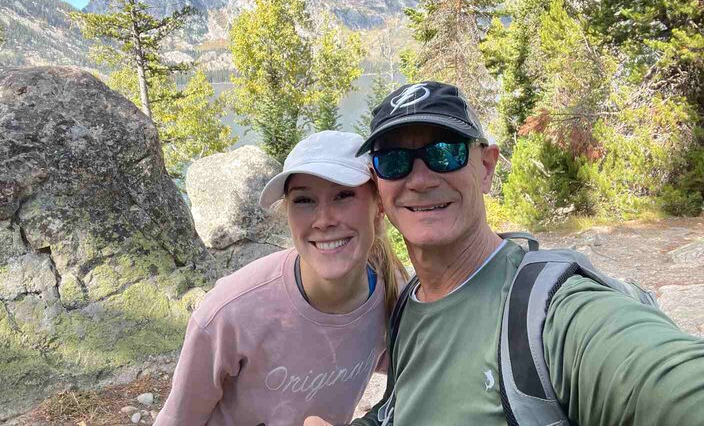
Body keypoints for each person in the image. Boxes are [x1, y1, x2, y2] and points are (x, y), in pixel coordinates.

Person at [305, 81, 704, 426]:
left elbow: (666, 379)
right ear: (378, 185)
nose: (421, 179)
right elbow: (403, 406)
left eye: (445, 152)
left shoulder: (550, 313)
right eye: (394, 161)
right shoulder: (411, 304)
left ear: (486, 166)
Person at [156, 130, 408, 426]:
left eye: (343, 195)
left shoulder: (393, 297)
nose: (324, 219)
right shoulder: (229, 314)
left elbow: (418, 381)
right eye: (304, 200)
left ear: (378, 206)